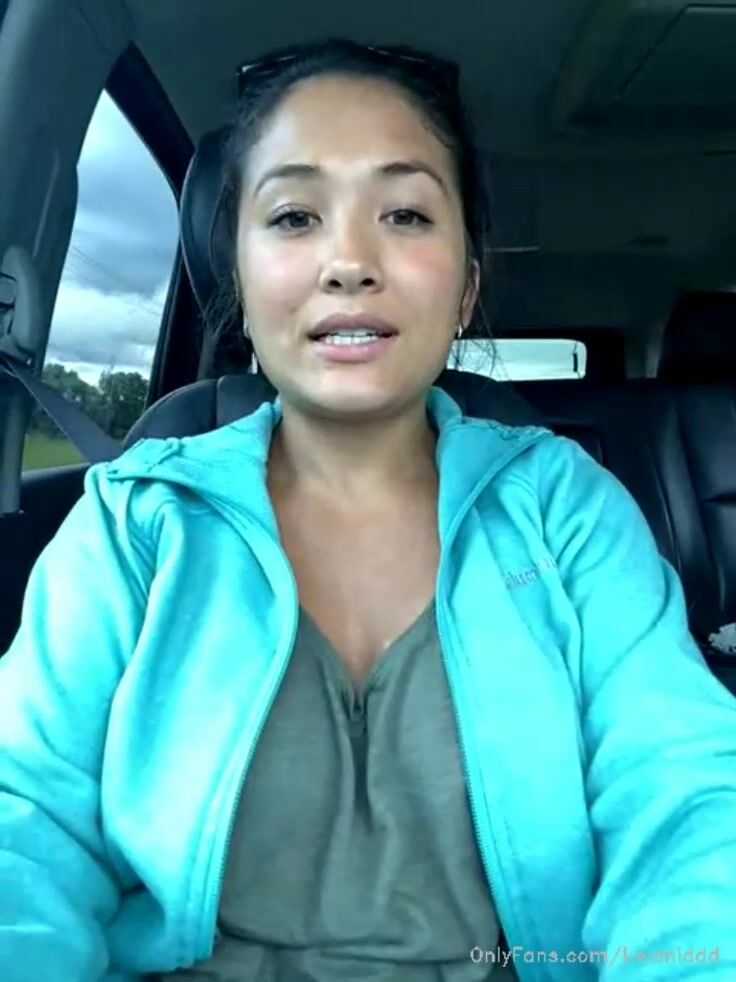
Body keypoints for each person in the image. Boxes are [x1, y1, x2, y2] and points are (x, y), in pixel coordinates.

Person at [1, 37, 735, 982]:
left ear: (467, 286)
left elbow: (687, 794)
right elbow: (22, 816)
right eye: (295, 216)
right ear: (240, 278)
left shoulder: (568, 510)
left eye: (405, 213)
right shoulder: (137, 521)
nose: (348, 261)